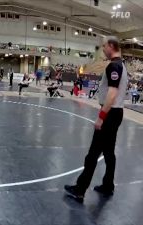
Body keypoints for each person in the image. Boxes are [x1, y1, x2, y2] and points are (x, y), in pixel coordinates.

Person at [64, 36, 128, 202]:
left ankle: (80, 189)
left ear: (112, 46)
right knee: (108, 152)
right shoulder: (122, 65)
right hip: (117, 113)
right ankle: (108, 185)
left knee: (93, 154)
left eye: (104, 46)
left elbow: (112, 94)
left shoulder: (114, 66)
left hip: (110, 113)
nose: (103, 50)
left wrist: (101, 117)